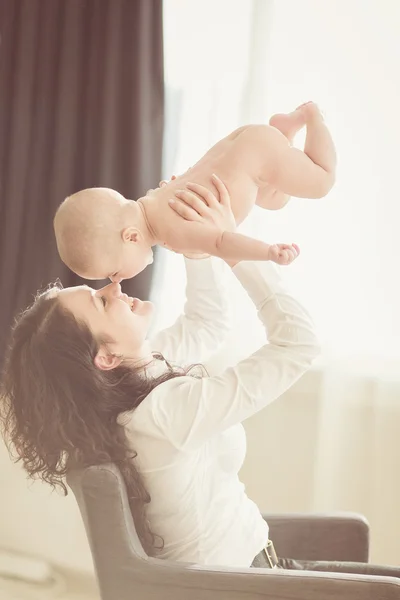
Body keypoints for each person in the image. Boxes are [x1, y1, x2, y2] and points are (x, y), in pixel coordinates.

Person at [2, 182, 398, 580]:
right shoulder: (160, 414)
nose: (115, 286)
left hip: (259, 570)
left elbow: (207, 324)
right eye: (101, 302)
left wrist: (198, 246)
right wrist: (230, 245)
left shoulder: (137, 377)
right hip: (245, 586)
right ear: (104, 357)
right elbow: (298, 344)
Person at [53, 101, 336, 282]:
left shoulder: (170, 232)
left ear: (131, 236)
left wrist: (268, 252)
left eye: (113, 274)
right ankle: (285, 131)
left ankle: (312, 117)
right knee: (275, 199)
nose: (116, 282)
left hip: (258, 155)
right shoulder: (154, 198)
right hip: (243, 145)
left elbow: (221, 242)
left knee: (322, 181)